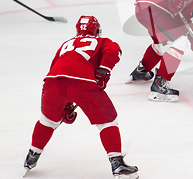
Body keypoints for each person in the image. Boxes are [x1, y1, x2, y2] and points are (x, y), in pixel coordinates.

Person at [23, 16, 139, 179]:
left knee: (48, 121)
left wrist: (66, 102)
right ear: (96, 30)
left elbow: (56, 67)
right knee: (107, 121)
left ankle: (32, 155)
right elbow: (114, 50)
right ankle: (117, 163)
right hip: (83, 83)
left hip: (52, 83)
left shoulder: (66, 44)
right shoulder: (101, 41)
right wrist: (104, 71)